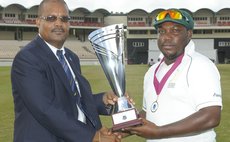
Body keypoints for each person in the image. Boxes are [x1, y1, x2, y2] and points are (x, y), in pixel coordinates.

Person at [11, 0, 121, 141]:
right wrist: (93, 136)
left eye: (64, 18)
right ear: (38, 22)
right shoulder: (27, 58)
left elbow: (73, 100)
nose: (58, 23)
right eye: (51, 18)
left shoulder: (71, 57)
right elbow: (46, 109)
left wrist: (103, 100)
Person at [120, 9, 222, 142]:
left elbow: (211, 117)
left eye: (175, 30)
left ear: (189, 34)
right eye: (162, 31)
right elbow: (149, 112)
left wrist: (158, 132)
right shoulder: (152, 71)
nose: (166, 37)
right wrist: (119, 131)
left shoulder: (201, 65)